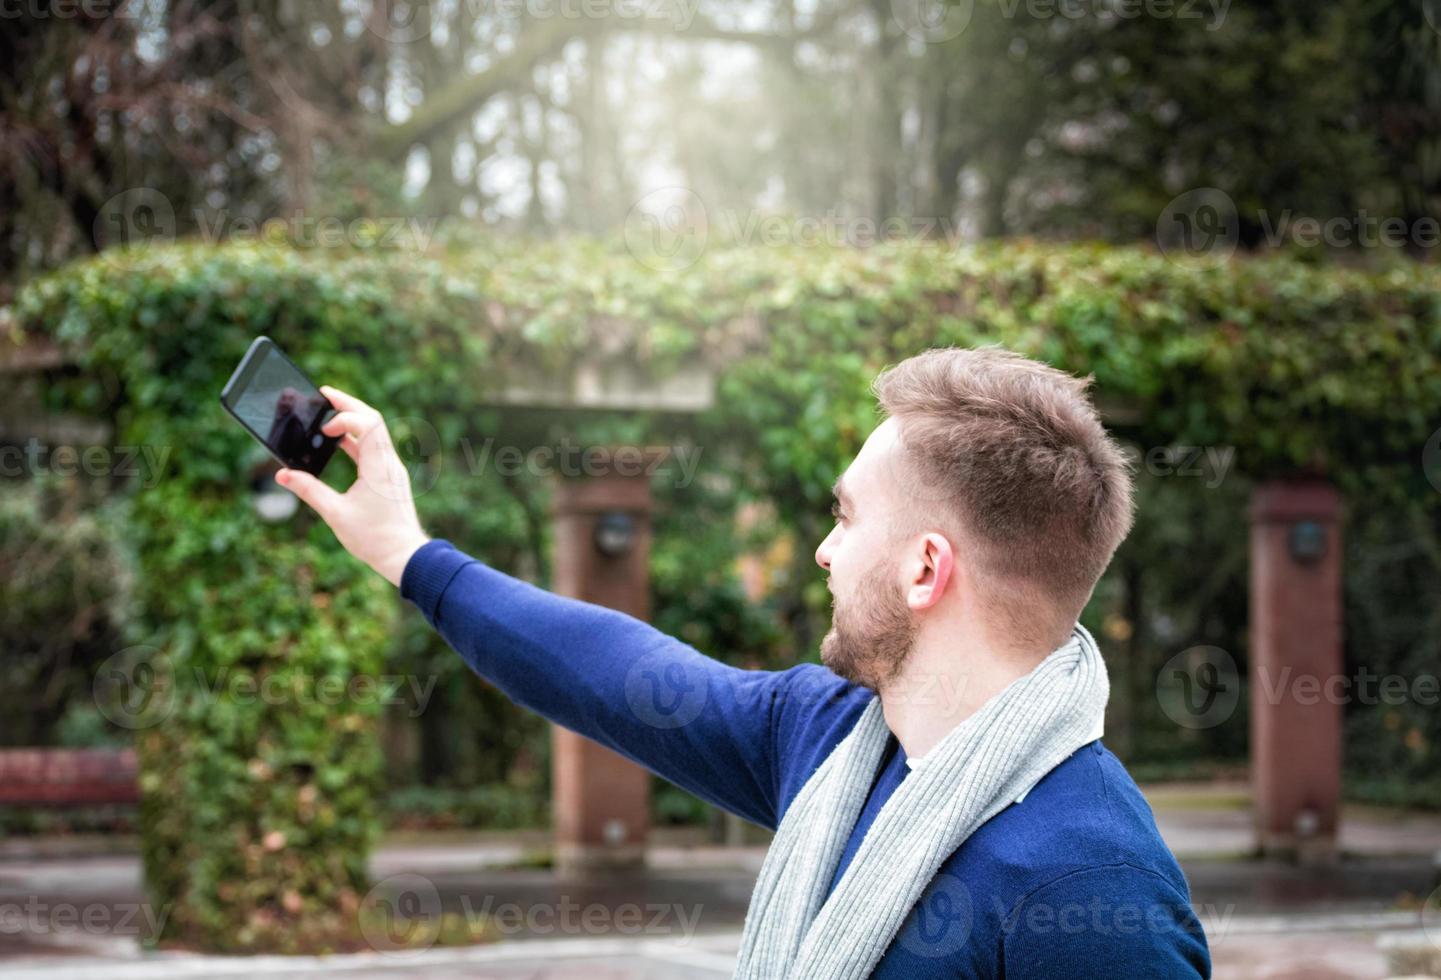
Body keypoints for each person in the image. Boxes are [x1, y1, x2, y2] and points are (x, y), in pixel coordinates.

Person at [277, 347, 1211, 978]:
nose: (822, 550)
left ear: (926, 568)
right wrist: (406, 550)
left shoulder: (1093, 891)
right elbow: (611, 671)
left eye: (844, 518)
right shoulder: (830, 739)